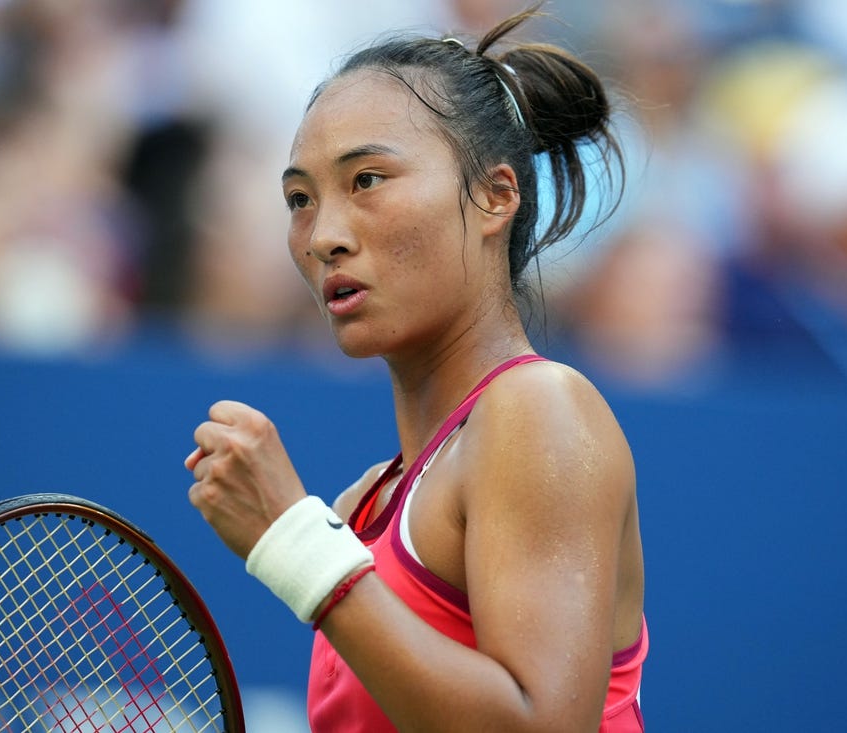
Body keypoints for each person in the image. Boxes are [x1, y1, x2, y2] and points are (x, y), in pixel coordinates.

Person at [184, 6, 647, 731]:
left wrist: (297, 545)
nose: (324, 236)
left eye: (367, 179)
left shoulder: (542, 410)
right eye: (300, 199)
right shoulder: (360, 506)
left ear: (496, 196)